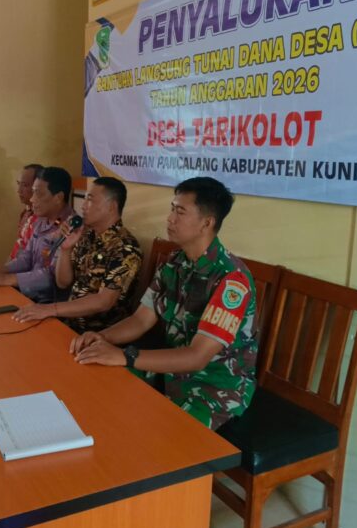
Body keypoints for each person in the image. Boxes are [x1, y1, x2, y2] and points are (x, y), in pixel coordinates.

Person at [69, 177, 258, 430]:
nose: (170, 219)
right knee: (97, 387)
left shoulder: (231, 280)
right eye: (172, 209)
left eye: (180, 212)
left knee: (157, 436)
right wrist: (102, 337)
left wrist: (125, 356)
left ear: (207, 222)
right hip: (171, 371)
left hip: (214, 385)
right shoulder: (175, 263)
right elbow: (141, 319)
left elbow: (197, 357)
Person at [13, 177, 142, 333]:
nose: (83, 206)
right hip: (69, 323)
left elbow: (104, 301)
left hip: (99, 334)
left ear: (111, 206)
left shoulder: (125, 247)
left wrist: (49, 309)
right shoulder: (85, 235)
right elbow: (63, 282)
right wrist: (65, 249)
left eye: (90, 200)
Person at [0, 167, 74, 303]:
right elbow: (26, 258)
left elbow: (51, 276)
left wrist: (7, 279)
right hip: (29, 295)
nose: (32, 199)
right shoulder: (41, 221)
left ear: (58, 197)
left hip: (49, 304)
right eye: (32, 192)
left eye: (38, 194)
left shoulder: (70, 228)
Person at [10, 164, 44, 259]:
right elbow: (18, 247)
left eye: (25, 185)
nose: (19, 190)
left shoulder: (44, 220)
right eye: (18, 184)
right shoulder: (26, 212)